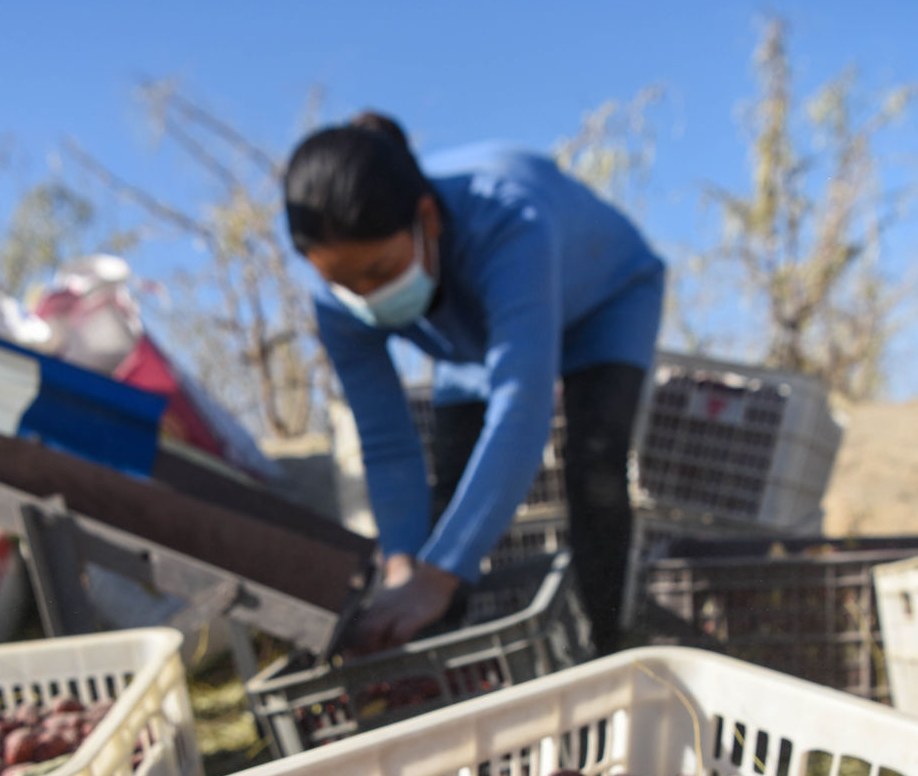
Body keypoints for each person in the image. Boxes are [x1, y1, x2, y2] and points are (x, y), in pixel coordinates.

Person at [284, 112, 665, 655]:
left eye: (381, 271)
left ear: (427, 219)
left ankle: (608, 645)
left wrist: (437, 577)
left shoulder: (509, 223)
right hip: (472, 330)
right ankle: (441, 654)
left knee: (594, 462)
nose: (365, 297)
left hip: (606, 297)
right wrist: (402, 567)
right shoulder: (338, 304)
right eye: (343, 282)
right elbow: (388, 442)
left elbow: (521, 408)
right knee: (451, 471)